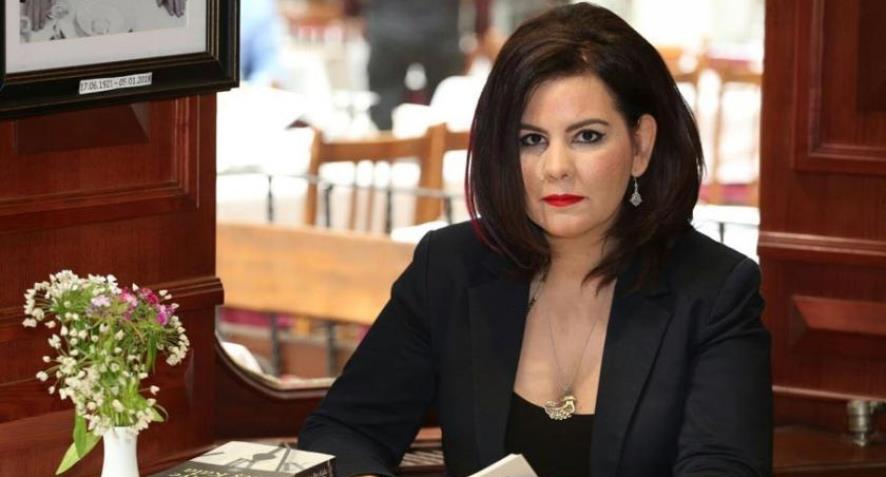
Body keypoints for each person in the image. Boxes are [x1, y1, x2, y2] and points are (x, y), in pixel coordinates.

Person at [298, 3, 772, 477]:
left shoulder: (714, 291)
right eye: (532, 140)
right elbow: (345, 429)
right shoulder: (449, 267)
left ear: (641, 145)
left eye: (587, 136)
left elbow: (724, 467)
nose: (556, 167)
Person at [344, 0, 495, 131]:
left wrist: (352, 12)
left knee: (384, 113)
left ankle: (386, 152)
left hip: (389, 26)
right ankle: (439, 153)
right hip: (439, 28)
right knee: (446, 111)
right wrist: (481, 29)